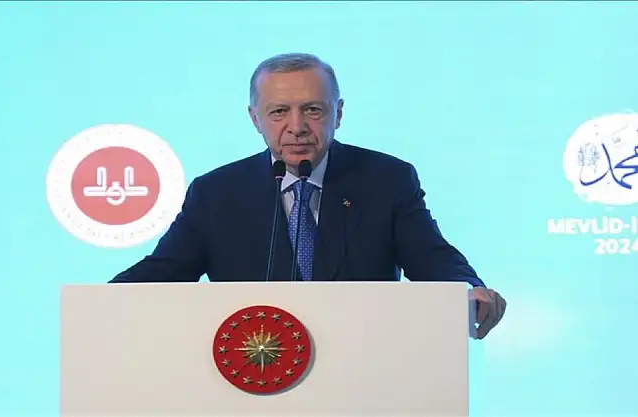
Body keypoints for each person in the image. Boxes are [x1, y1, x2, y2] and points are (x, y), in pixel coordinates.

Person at [110, 53, 506, 339]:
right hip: (253, 373)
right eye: (279, 112)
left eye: (313, 110)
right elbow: (164, 272)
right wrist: (98, 304)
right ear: (255, 119)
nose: (297, 126)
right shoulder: (217, 193)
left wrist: (467, 289)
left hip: (365, 367)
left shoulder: (386, 180)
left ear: (339, 113)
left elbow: (431, 258)